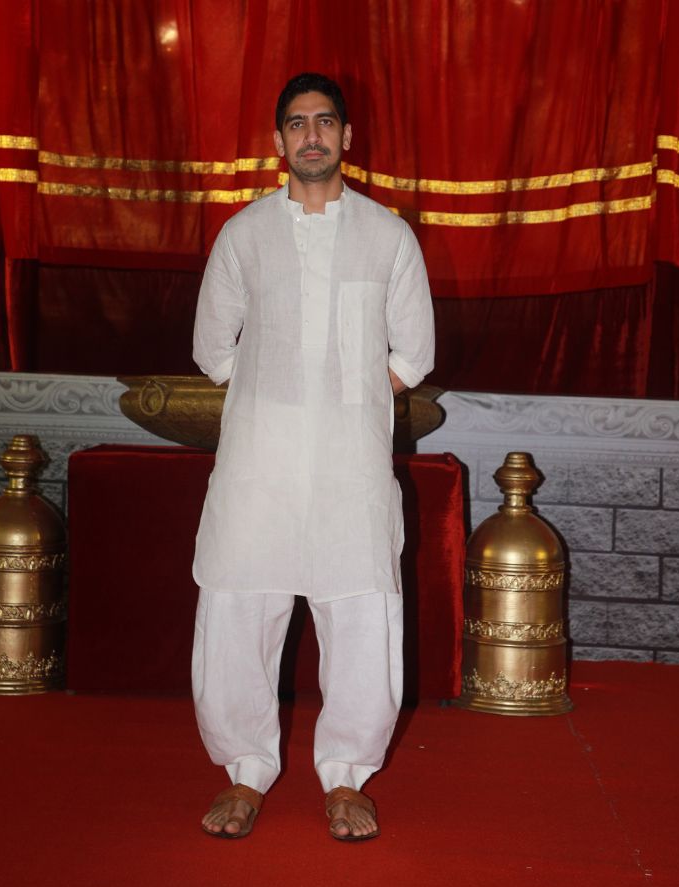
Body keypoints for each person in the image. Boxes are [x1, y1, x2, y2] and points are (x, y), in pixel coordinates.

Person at [190, 72, 435, 841]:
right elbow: (212, 348)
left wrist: (345, 396)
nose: (312, 136)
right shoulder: (244, 235)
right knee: (238, 609)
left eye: (325, 121)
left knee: (361, 613)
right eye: (297, 124)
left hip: (348, 467)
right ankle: (244, 772)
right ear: (278, 141)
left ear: (347, 136)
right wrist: (279, 391)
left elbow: (415, 353)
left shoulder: (388, 236)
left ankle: (347, 779)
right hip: (258, 463)